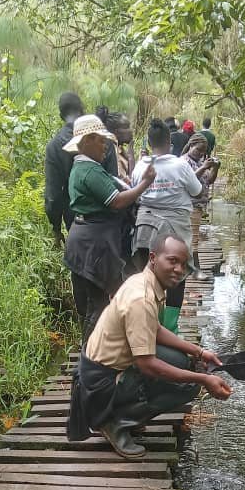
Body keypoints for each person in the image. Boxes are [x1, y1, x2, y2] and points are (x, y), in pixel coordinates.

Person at [68, 235, 232, 458]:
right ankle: (113, 422)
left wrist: (199, 351)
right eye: (172, 261)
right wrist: (203, 379)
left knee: (183, 360)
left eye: (183, 265)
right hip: (99, 385)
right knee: (189, 386)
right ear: (153, 258)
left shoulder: (144, 281)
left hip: (103, 371)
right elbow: (147, 365)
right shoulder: (141, 298)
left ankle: (127, 413)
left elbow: (153, 328)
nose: (178, 269)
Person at [63, 114, 155, 341]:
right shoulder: (90, 171)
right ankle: (90, 361)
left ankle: (90, 358)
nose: (105, 146)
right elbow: (117, 201)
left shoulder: (84, 168)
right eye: (101, 141)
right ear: (87, 141)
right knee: (98, 304)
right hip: (93, 244)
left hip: (85, 239)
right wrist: (145, 183)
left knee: (92, 303)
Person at [130, 117, 205, 331]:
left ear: (149, 142)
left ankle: (148, 324)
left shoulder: (139, 167)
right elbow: (197, 191)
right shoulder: (180, 166)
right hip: (175, 230)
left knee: (148, 277)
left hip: (145, 230)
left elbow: (135, 194)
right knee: (177, 277)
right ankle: (170, 328)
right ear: (169, 141)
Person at [44, 92, 118, 245]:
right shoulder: (103, 140)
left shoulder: (54, 147)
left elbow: (53, 197)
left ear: (60, 115)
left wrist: (56, 229)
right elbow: (113, 180)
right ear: (83, 109)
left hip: (77, 224)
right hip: (108, 225)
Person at [182, 133, 220, 281]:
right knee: (193, 240)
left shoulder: (200, 161)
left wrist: (214, 168)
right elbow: (188, 180)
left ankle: (190, 269)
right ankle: (195, 270)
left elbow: (208, 181)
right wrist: (204, 167)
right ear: (191, 146)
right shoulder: (184, 162)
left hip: (198, 206)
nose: (201, 154)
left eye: (203, 152)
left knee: (192, 239)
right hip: (188, 205)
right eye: (198, 150)